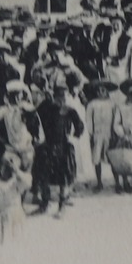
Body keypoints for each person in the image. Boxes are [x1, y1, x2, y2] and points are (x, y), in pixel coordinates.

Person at [33, 82, 84, 214]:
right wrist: (36, 136)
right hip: (47, 145)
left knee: (64, 177)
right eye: (60, 96)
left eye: (65, 96)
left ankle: (62, 205)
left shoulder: (70, 110)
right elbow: (34, 119)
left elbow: (79, 127)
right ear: (54, 96)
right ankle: (45, 204)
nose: (63, 99)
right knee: (44, 175)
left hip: (63, 145)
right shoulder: (45, 107)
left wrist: (72, 137)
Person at [0, 80, 40, 184]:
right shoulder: (4, 110)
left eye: (19, 94)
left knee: (26, 176)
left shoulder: (26, 107)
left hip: (26, 147)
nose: (17, 97)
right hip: (11, 147)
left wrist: (35, 138)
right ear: (9, 95)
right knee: (8, 175)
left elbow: (36, 122)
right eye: (14, 95)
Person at [83, 78, 120, 192]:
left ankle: (117, 182)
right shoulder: (92, 104)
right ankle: (99, 182)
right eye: (98, 91)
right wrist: (90, 134)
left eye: (103, 90)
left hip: (109, 132)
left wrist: (115, 132)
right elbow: (89, 120)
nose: (100, 93)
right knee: (97, 158)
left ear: (107, 91)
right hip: (97, 134)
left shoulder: (113, 104)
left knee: (113, 158)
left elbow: (117, 119)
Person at [0, 156, 28, 243]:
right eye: (5, 167)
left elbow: (27, 182)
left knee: (16, 242)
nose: (8, 170)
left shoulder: (16, 183)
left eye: (10, 168)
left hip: (15, 217)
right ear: (1, 168)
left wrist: (17, 171)